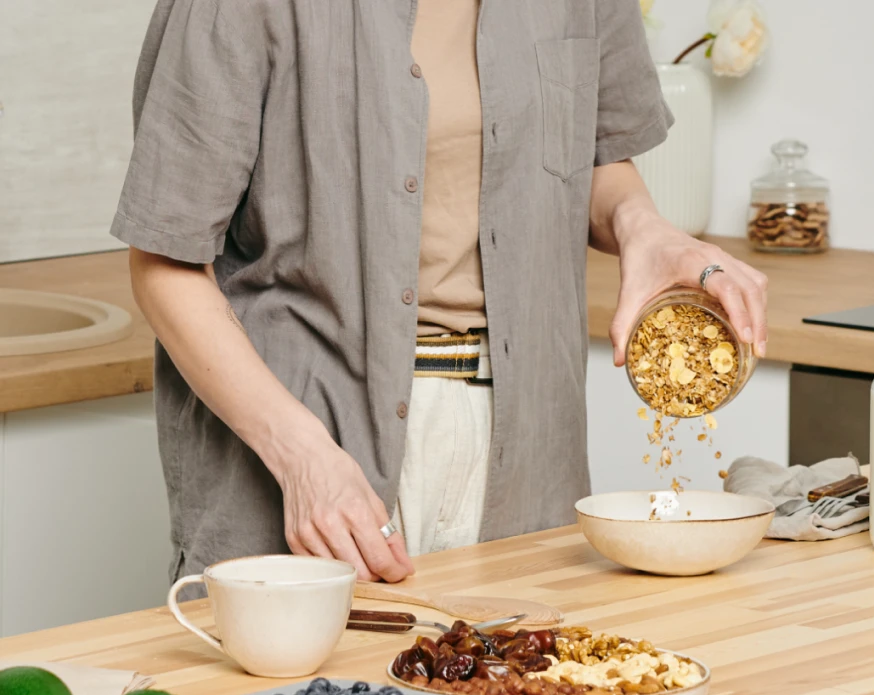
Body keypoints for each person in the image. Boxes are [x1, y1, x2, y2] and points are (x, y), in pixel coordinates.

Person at [112, 0, 768, 592]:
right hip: (309, 436)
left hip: (525, 448)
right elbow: (165, 265)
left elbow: (595, 161)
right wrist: (301, 457)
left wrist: (642, 227)